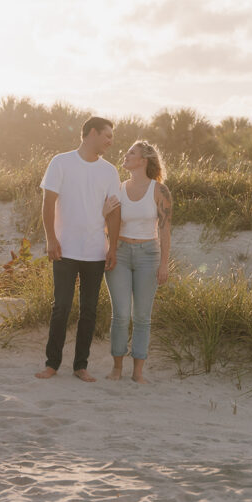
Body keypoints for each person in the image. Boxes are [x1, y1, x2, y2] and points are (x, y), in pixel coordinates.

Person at [35, 116, 121, 383]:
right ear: (91, 133)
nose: (110, 142)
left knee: (89, 310)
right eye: (107, 136)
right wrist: (51, 239)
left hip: (95, 251)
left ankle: (80, 366)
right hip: (65, 248)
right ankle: (52, 364)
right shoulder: (61, 162)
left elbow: (114, 212)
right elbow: (48, 204)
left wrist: (113, 247)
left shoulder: (109, 171)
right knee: (60, 307)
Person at [102, 141, 172, 384]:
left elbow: (165, 231)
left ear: (143, 160)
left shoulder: (159, 191)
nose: (126, 154)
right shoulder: (118, 188)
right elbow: (109, 225)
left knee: (142, 316)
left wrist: (164, 264)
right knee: (120, 315)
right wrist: (103, 214)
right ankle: (117, 368)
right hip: (119, 253)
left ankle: (138, 372)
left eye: (131, 152)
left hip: (148, 255)